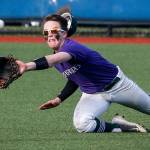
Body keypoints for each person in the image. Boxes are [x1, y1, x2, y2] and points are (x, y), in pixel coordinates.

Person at [16, 13, 150, 133]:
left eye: (54, 30)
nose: (49, 34)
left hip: (118, 86)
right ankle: (120, 126)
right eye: (46, 32)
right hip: (93, 94)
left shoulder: (72, 48)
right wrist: (59, 99)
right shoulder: (57, 56)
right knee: (82, 124)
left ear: (64, 33)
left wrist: (26, 66)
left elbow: (50, 61)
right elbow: (75, 78)